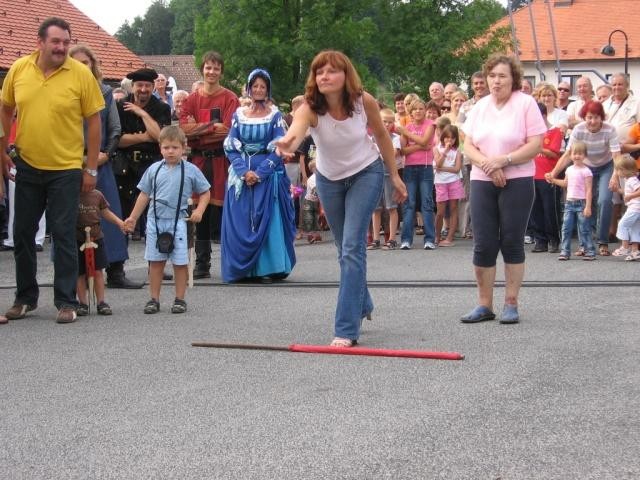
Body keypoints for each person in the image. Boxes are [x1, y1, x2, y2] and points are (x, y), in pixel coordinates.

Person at [276, 50, 407, 347]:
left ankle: (346, 328)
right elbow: (296, 132)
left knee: (351, 247)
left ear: (346, 75)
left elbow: (384, 138)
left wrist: (394, 175)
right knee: (343, 248)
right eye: (319, 71)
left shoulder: (364, 102)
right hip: (329, 180)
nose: (324, 76)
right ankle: (363, 302)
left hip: (366, 173)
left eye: (332, 71)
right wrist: (287, 142)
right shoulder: (310, 107)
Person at [0, 17, 105, 324]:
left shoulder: (80, 74)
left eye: (66, 42)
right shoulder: (19, 69)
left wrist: (91, 167)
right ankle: (25, 298)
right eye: (56, 42)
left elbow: (95, 122)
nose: (61, 47)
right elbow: (5, 108)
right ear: (40, 42)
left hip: (66, 169)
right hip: (28, 164)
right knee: (21, 233)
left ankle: (66, 302)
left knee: (62, 234)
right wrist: (3, 150)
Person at [460, 54, 546, 325]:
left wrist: (504, 160)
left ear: (513, 79)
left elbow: (535, 144)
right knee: (483, 242)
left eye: (502, 76)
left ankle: (511, 302)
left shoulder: (525, 104)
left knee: (511, 240)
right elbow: (468, 145)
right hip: (482, 178)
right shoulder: (480, 107)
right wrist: (488, 164)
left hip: (518, 179)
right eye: (492, 76)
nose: (496, 81)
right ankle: (484, 304)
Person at [69, 44, 137, 289]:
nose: (81, 67)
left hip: (100, 162)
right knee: (73, 215)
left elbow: (115, 128)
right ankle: (76, 274)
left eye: (85, 63)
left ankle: (116, 271)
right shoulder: (64, 91)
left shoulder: (105, 92)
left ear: (92, 65)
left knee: (108, 214)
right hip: (70, 162)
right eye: (75, 62)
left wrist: (106, 154)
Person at [124, 126, 210, 314]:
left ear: (183, 147)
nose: (170, 151)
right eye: (166, 148)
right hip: (156, 220)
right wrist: (133, 217)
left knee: (180, 263)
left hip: (179, 221)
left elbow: (205, 192)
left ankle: (179, 298)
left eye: (175, 147)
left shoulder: (191, 170)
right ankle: (153, 299)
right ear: (160, 148)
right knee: (156, 262)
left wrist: (200, 211)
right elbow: (144, 195)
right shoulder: (153, 170)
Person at [221, 68, 296, 283]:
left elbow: (279, 147)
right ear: (249, 88)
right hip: (241, 174)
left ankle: (267, 268)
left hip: (268, 173)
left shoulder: (275, 116)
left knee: (266, 218)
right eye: (255, 86)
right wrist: (244, 172)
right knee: (241, 218)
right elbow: (230, 146)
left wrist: (261, 172)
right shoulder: (238, 115)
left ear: (268, 89)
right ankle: (242, 269)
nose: (259, 89)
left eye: (263, 86)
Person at [180, 51, 240, 279]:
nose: (211, 72)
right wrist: (212, 127)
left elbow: (228, 131)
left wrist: (199, 129)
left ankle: (231, 262)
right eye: (208, 67)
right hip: (198, 160)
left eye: (216, 68)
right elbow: (184, 130)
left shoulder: (230, 98)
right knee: (201, 212)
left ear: (221, 71)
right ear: (202, 69)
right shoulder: (191, 99)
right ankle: (202, 263)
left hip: (222, 160)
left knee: (225, 211)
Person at [114, 67, 171, 280]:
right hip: (124, 168)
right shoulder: (119, 106)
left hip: (151, 166)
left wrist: (142, 114)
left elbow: (162, 138)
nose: (143, 89)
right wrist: (145, 136)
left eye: (148, 85)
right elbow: (117, 139)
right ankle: (116, 269)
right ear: (133, 86)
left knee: (153, 219)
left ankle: (154, 266)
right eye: (140, 85)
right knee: (123, 217)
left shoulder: (161, 108)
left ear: (153, 86)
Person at [547, 100, 621, 256]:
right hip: (585, 167)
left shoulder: (610, 130)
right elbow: (568, 155)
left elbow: (616, 156)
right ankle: (585, 243)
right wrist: (553, 173)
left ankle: (602, 241)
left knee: (605, 200)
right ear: (584, 117)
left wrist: (615, 177)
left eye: (596, 117)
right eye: (589, 117)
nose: (592, 121)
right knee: (585, 202)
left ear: (602, 118)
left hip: (606, 166)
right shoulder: (579, 130)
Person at [75, 189, 126, 316]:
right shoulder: (72, 193)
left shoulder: (97, 195)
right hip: (77, 237)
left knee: (98, 271)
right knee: (79, 272)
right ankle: (82, 303)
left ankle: (101, 302)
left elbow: (105, 211)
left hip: (96, 237)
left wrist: (119, 222)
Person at [396, 98, 436, 249]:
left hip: (425, 168)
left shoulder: (430, 125)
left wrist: (407, 133)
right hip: (410, 168)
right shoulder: (407, 126)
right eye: (415, 109)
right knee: (409, 204)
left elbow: (427, 141)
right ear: (410, 112)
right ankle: (406, 239)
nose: (418, 111)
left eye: (421, 108)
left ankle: (430, 239)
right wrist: (421, 146)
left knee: (426, 203)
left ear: (425, 110)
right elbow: (403, 150)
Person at [547, 141, 596, 261]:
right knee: (566, 228)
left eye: (580, 154)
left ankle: (590, 251)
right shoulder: (569, 169)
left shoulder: (586, 171)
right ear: (571, 155)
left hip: (582, 203)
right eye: (574, 153)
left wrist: (588, 206)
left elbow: (589, 190)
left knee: (584, 228)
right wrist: (553, 179)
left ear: (585, 155)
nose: (577, 156)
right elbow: (565, 183)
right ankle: (565, 251)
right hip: (569, 203)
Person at [530, 102, 563, 253]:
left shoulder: (555, 131)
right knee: (535, 209)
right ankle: (540, 240)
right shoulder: (530, 133)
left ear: (543, 116)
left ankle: (554, 239)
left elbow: (554, 153)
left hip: (548, 175)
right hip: (531, 174)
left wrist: (538, 148)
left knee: (550, 209)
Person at [368, 108, 403, 250]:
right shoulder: (371, 138)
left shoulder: (395, 138)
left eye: (390, 122)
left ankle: (392, 239)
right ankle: (376, 239)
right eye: (384, 122)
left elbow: (391, 154)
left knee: (391, 207)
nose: (387, 125)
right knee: (375, 209)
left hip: (389, 176)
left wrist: (379, 153)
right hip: (375, 175)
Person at [433, 125, 463, 247]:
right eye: (447, 138)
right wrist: (445, 151)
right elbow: (438, 162)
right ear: (442, 138)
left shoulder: (457, 152)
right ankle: (437, 236)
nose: (449, 141)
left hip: (454, 181)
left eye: (452, 138)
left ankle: (449, 238)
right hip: (440, 182)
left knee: (454, 209)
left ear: (456, 139)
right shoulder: (436, 149)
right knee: (440, 211)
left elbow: (456, 169)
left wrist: (442, 168)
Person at [611, 155, 640, 261]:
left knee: (623, 224)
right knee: (634, 228)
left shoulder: (632, 180)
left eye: (618, 170)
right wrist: (618, 190)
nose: (617, 173)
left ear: (623, 170)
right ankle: (635, 251)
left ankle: (625, 247)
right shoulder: (630, 180)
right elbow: (627, 192)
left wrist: (630, 196)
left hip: (635, 208)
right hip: (636, 209)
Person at [301, 160, 322, 244]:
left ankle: (316, 234)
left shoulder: (320, 178)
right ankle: (310, 235)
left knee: (316, 218)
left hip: (316, 201)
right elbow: (316, 189)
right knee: (309, 218)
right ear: (313, 169)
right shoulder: (313, 178)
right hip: (308, 202)